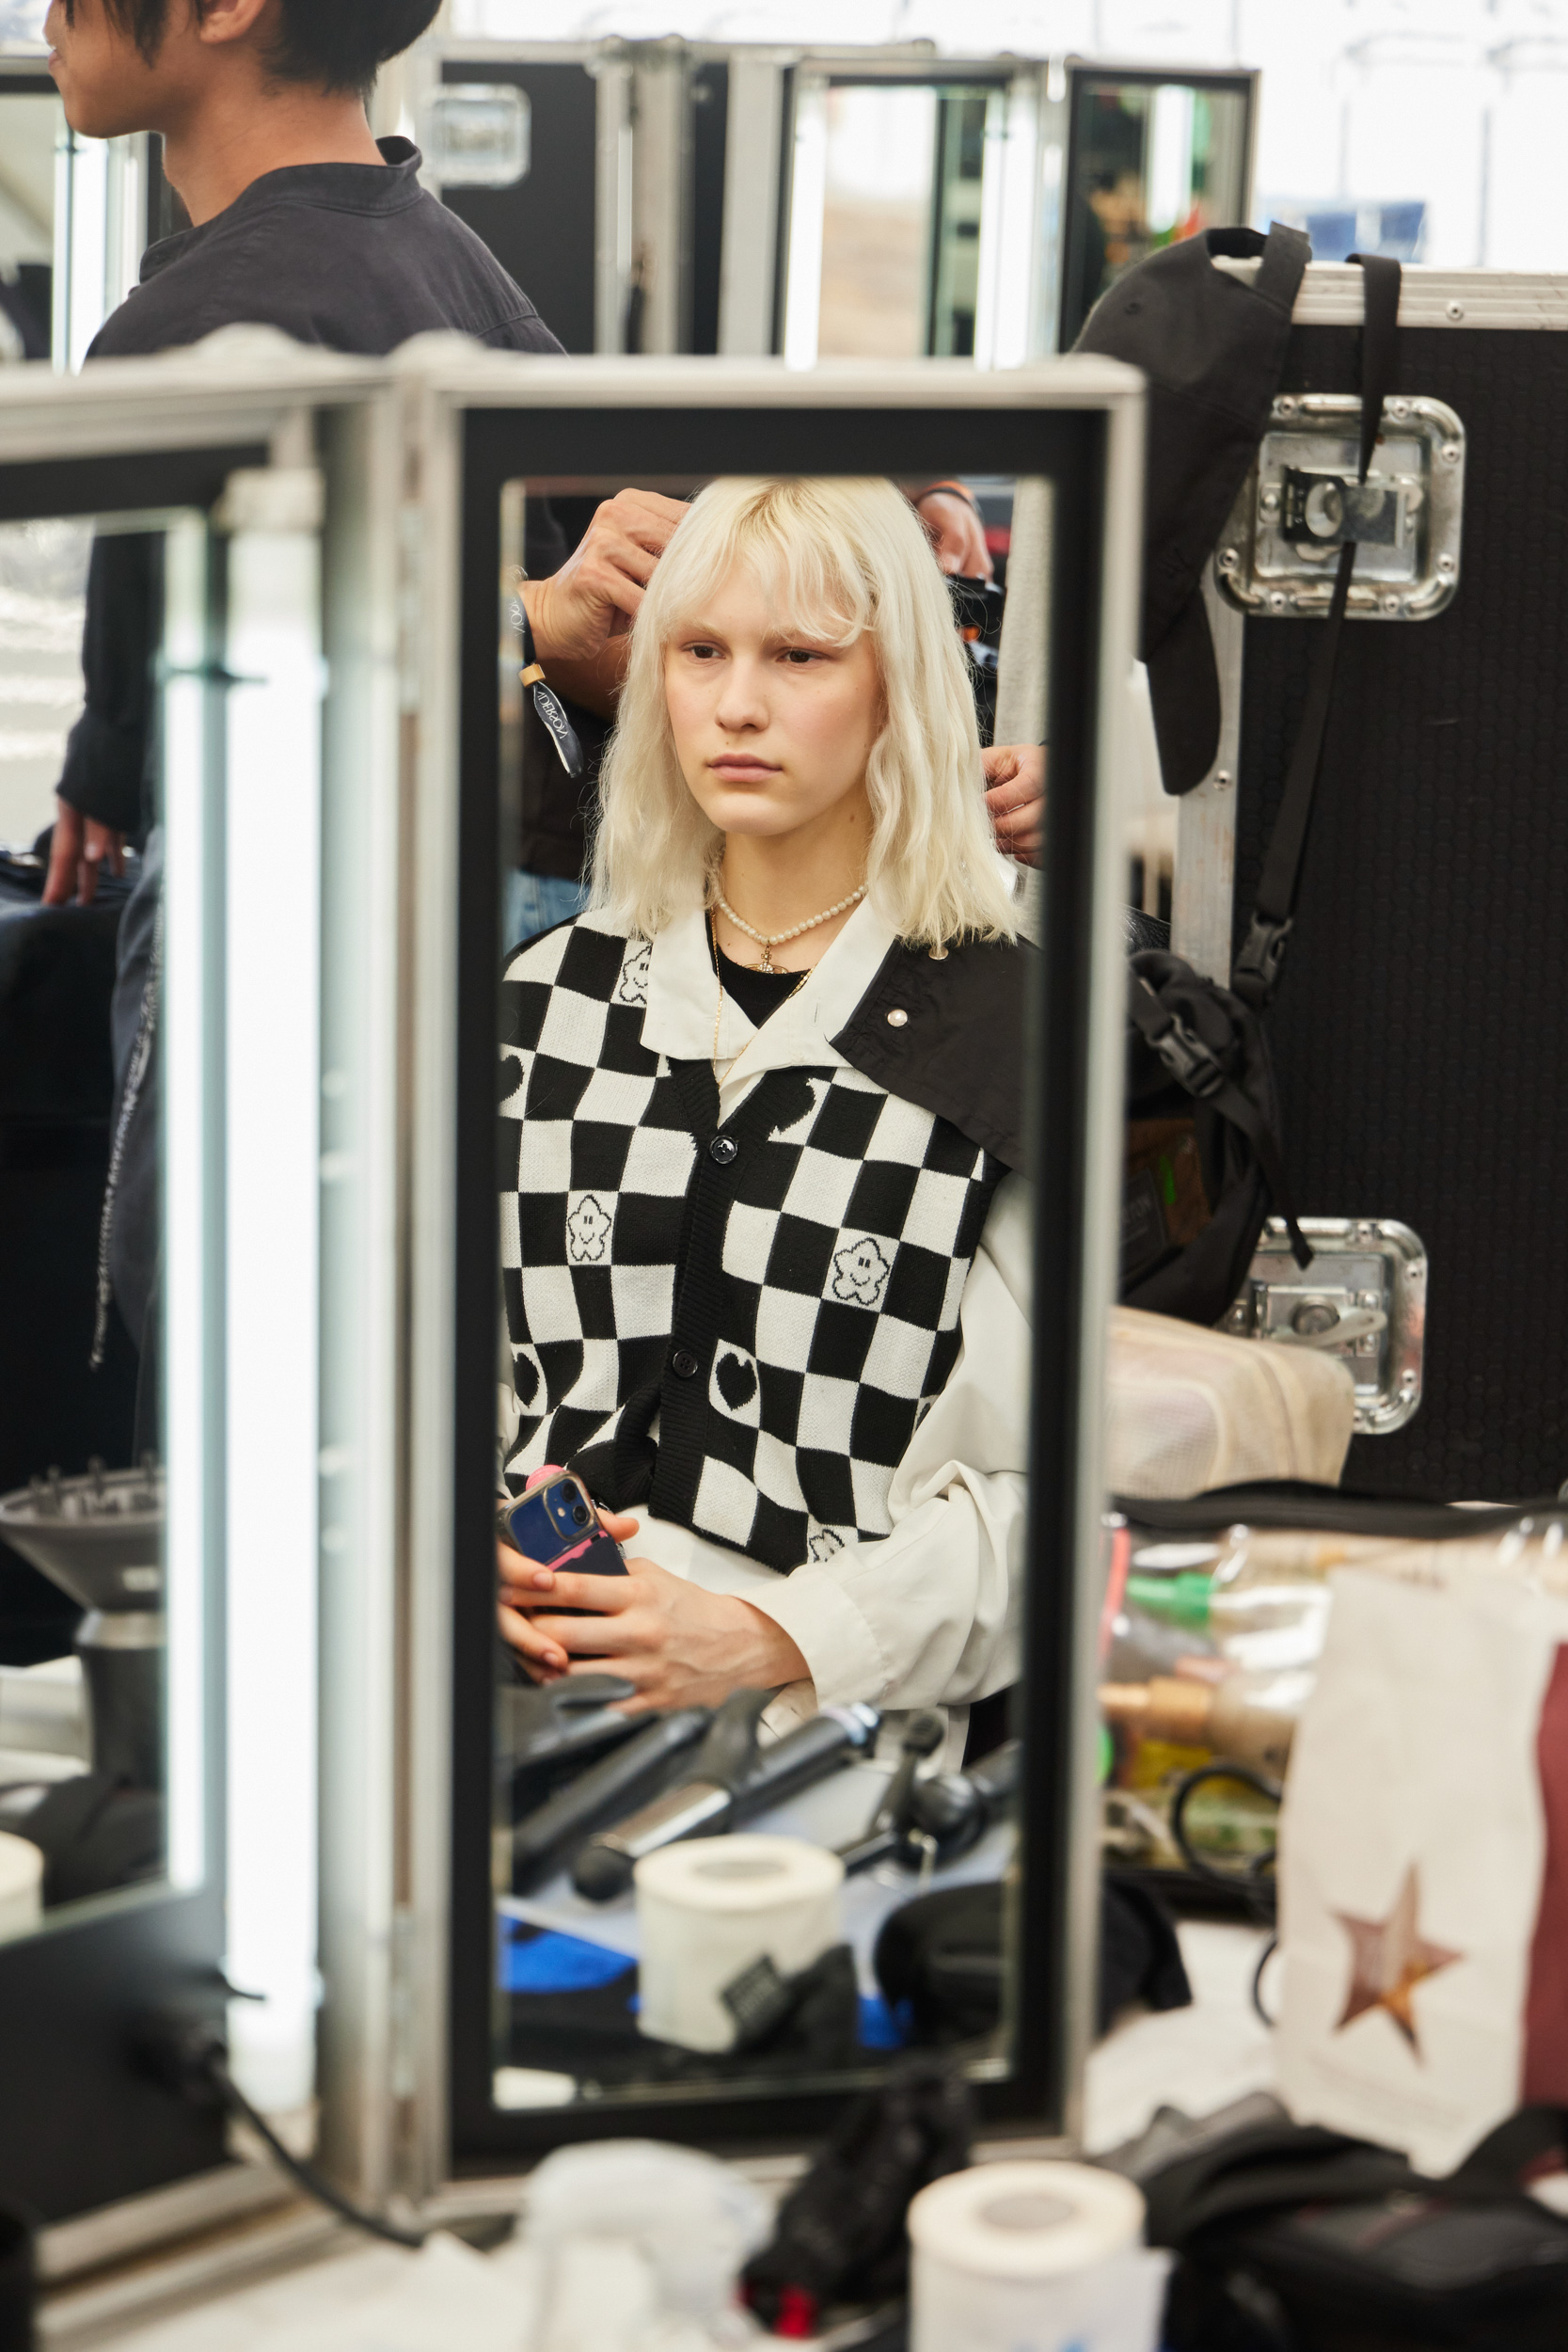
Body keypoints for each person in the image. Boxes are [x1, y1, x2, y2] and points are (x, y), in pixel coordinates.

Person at [495, 478, 1032, 1725]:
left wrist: (775, 1637)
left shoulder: (1011, 1032)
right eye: (699, 652)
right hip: (520, 1741)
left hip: (836, 1772)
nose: (737, 705)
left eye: (798, 655)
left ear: (898, 682)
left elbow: (1052, 1496)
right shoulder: (545, 1004)